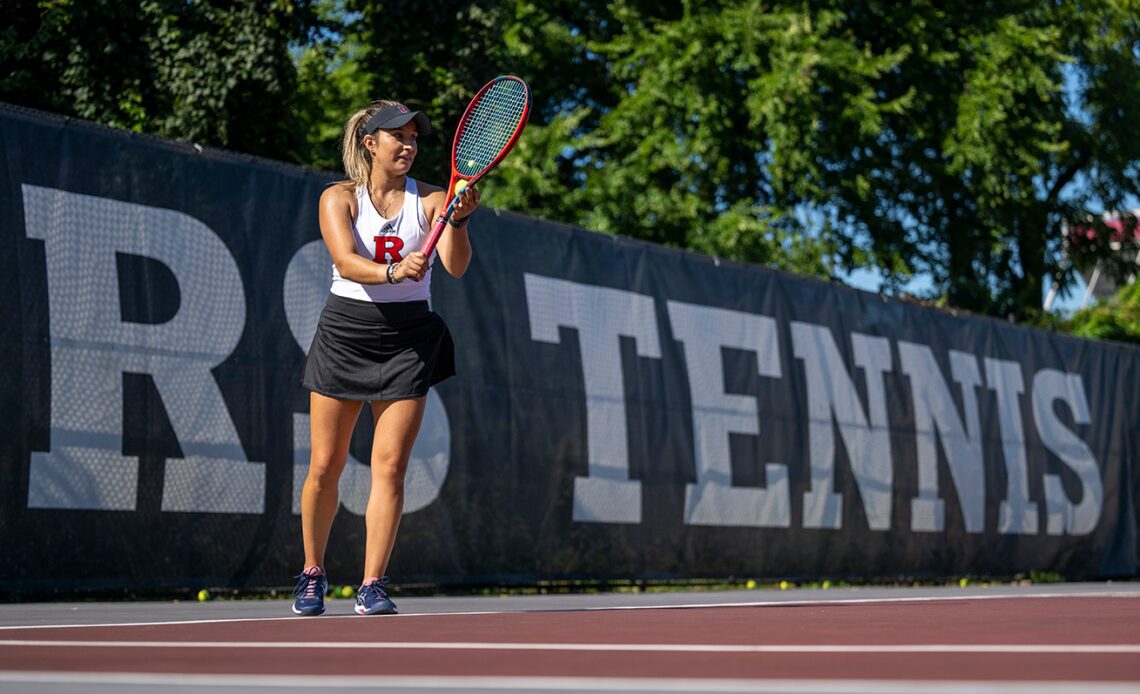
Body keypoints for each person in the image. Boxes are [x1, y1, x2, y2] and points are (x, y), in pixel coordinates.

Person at [292, 100, 478, 616]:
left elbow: (455, 268)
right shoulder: (339, 198)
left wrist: (457, 223)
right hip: (345, 332)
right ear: (371, 143)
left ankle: (372, 583)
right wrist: (394, 272)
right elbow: (346, 263)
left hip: (409, 340)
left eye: (415, 138)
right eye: (399, 136)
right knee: (325, 466)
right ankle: (312, 574)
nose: (410, 145)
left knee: (391, 467)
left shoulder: (436, 199)